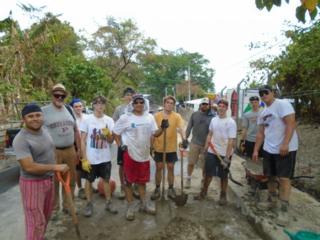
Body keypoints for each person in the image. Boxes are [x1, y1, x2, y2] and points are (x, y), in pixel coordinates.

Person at [13, 104, 69, 240]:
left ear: (42, 116)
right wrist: (56, 167)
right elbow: (29, 167)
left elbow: (51, 150)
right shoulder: (21, 139)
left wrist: (55, 166)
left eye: (38, 115)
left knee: (46, 215)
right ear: (23, 120)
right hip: (32, 184)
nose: (35, 119)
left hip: (48, 180)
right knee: (35, 222)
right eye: (30, 116)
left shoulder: (45, 130)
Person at [252, 85, 298, 226]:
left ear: (273, 93)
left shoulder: (282, 104)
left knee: (284, 178)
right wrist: (255, 150)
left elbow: (291, 124)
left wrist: (285, 144)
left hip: (285, 148)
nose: (263, 94)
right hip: (268, 149)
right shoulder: (263, 112)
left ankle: (284, 209)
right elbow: (260, 133)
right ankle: (272, 201)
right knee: (270, 176)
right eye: (261, 93)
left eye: (266, 92)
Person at [113, 94, 163, 221]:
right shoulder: (125, 118)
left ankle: (144, 204)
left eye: (141, 102)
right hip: (129, 154)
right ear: (132, 104)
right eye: (136, 102)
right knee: (128, 181)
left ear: (144, 103)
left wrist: (163, 128)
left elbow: (155, 133)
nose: (139, 104)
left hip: (144, 155)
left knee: (142, 182)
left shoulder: (149, 117)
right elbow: (115, 133)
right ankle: (130, 207)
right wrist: (120, 145)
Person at [42, 83, 81, 213]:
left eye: (62, 95)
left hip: (70, 150)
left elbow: (76, 131)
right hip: (53, 151)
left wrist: (79, 150)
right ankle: (54, 208)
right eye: (56, 95)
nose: (59, 97)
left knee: (71, 179)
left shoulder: (69, 109)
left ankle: (68, 205)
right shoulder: (43, 111)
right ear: (52, 95)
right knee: (54, 181)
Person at [80, 96, 118, 217]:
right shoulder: (87, 120)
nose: (100, 106)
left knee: (106, 180)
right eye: (97, 103)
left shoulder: (109, 120)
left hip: (105, 157)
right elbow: (82, 140)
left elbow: (111, 141)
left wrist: (108, 135)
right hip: (91, 158)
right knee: (88, 181)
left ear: (105, 106)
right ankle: (89, 204)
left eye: (102, 103)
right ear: (93, 105)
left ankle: (108, 202)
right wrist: (84, 159)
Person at [195, 99, 237, 205]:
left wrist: (227, 158)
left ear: (227, 108)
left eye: (223, 106)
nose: (221, 108)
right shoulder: (214, 120)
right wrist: (205, 148)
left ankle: (223, 196)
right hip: (212, 151)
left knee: (223, 176)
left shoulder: (231, 122)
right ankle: (203, 193)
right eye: (220, 106)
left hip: (225, 153)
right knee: (208, 174)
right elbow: (210, 134)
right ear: (217, 107)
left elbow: (231, 141)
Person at [151, 95, 187, 200]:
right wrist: (151, 146)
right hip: (159, 147)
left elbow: (181, 128)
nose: (170, 105)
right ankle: (157, 188)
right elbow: (153, 133)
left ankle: (171, 188)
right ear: (164, 104)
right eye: (168, 103)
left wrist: (184, 139)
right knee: (159, 167)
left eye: (172, 103)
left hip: (171, 147)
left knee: (171, 168)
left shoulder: (176, 116)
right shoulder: (156, 116)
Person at [185, 98, 214, 189]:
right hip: (194, 143)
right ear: (200, 105)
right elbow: (189, 127)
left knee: (204, 165)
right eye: (203, 104)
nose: (204, 106)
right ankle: (188, 179)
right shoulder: (194, 114)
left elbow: (213, 131)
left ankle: (203, 180)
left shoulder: (212, 117)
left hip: (206, 145)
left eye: (206, 104)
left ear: (209, 106)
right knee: (191, 162)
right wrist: (185, 139)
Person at [112, 87, 135, 200]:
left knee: (134, 164)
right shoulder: (119, 109)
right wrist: (118, 141)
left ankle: (134, 187)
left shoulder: (137, 108)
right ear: (124, 97)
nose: (129, 97)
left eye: (131, 94)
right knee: (122, 165)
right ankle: (122, 187)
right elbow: (114, 124)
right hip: (122, 141)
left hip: (134, 142)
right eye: (127, 95)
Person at [70, 98, 88, 199]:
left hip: (87, 145)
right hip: (76, 145)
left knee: (88, 166)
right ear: (72, 108)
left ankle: (88, 186)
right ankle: (80, 188)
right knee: (78, 169)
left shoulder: (88, 117)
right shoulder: (71, 120)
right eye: (76, 106)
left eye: (80, 106)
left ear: (83, 107)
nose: (78, 108)